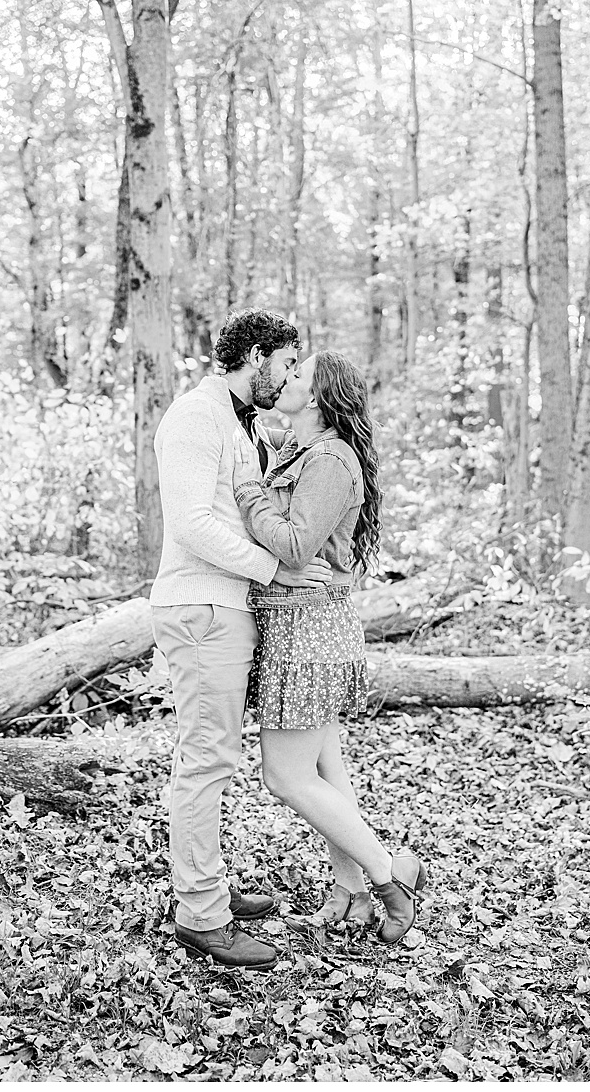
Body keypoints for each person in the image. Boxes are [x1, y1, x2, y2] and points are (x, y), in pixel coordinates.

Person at [149, 309, 332, 972]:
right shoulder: (196, 417)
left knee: (216, 758)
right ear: (256, 355)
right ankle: (201, 915)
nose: (289, 376)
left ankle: (210, 887)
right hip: (201, 608)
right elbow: (192, 523)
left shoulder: (241, 422)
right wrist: (274, 568)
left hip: (228, 608)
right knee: (205, 761)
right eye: (286, 362)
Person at [232, 349, 428, 944]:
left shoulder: (331, 460)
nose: (285, 378)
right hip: (301, 626)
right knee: (325, 768)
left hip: (309, 631)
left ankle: (389, 876)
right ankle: (351, 891)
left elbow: (295, 546)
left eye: (297, 374)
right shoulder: (305, 450)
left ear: (317, 398)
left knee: (284, 776)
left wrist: (248, 492)